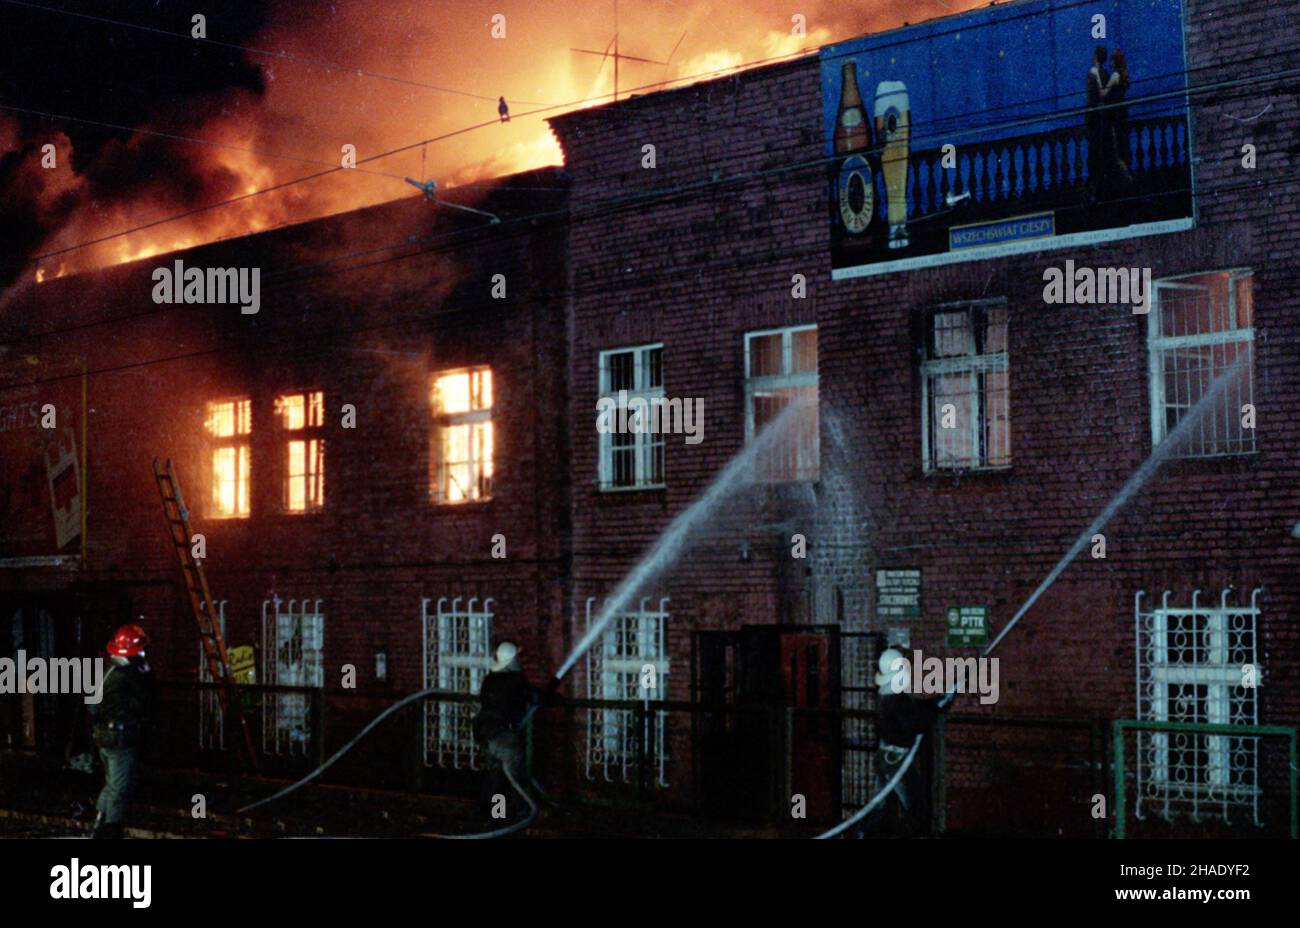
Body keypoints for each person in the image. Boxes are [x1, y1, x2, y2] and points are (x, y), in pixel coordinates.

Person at [870, 645, 949, 837]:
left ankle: (865, 835)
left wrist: (936, 702)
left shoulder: (890, 695)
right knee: (915, 806)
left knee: (879, 808)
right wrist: (938, 707)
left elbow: (914, 710)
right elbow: (915, 722)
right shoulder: (894, 699)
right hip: (894, 761)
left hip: (887, 757)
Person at [87, 623, 155, 839]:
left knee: (111, 782)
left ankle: (100, 822)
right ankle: (110, 830)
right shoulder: (128, 676)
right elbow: (143, 702)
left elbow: (92, 706)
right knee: (119, 786)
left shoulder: (108, 671)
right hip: (119, 738)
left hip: (104, 735)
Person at [473, 641, 538, 823]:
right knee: (515, 776)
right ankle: (522, 815)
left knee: (497, 777)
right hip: (503, 736)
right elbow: (532, 695)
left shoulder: (489, 680)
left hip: (486, 735)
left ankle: (497, 816)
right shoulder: (516, 680)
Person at [1100, 49, 1133, 187]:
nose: (1110, 63)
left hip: (1114, 115)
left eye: (1112, 60)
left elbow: (1104, 93)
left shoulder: (1114, 75)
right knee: (1121, 146)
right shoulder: (1124, 75)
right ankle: (1126, 175)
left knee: (1115, 149)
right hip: (1122, 113)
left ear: (1115, 62)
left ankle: (1126, 178)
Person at [1084, 45, 1111, 203]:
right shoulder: (1106, 73)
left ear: (1095, 56)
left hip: (1095, 121)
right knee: (1102, 157)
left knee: (1094, 158)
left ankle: (1096, 193)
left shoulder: (1093, 73)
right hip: (1103, 120)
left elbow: (1093, 98)